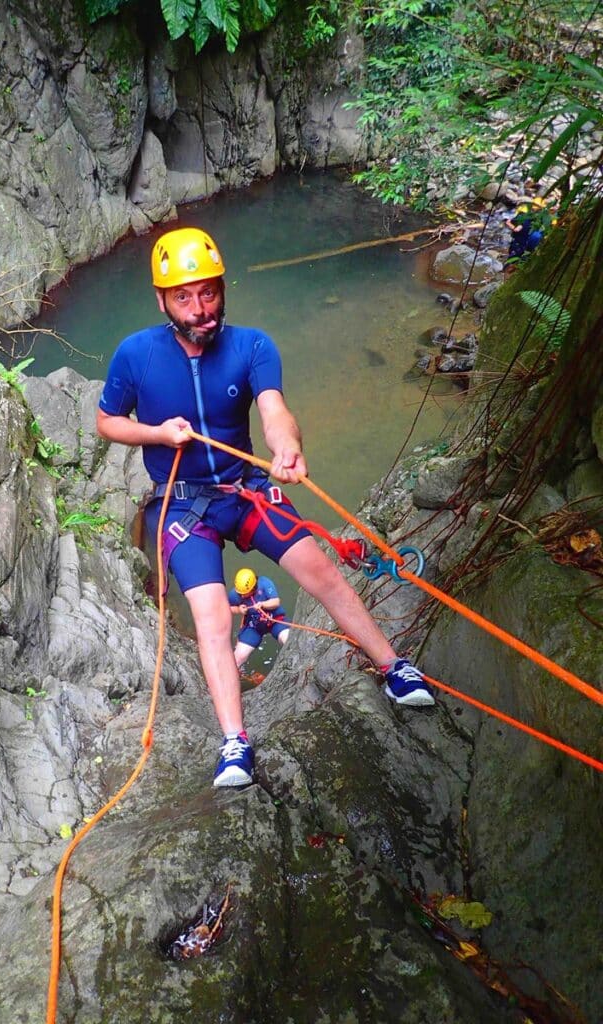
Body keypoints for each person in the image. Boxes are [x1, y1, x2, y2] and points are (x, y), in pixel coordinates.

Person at [96, 226, 435, 789]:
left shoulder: (252, 346)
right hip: (182, 507)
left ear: (223, 290)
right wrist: (157, 434)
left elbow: (275, 409)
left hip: (244, 488)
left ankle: (392, 667)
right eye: (184, 297)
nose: (199, 308)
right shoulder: (136, 355)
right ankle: (235, 742)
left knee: (320, 568)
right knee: (210, 617)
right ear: (162, 300)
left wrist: (287, 446)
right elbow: (106, 421)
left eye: (208, 293)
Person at [228, 567, 290, 669]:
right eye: (240, 593)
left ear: (253, 588)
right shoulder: (235, 594)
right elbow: (228, 608)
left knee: (286, 639)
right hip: (253, 626)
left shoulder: (265, 584)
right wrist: (239, 610)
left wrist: (263, 604)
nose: (242, 596)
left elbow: (276, 601)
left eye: (244, 593)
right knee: (238, 657)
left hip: (275, 620)